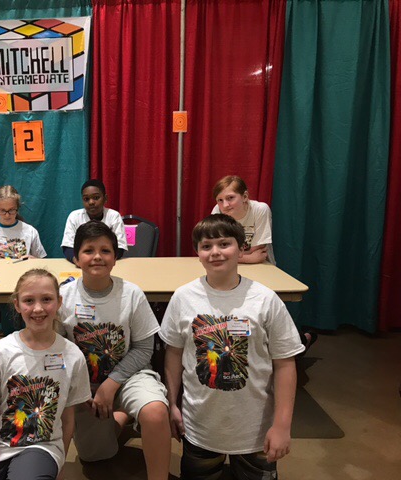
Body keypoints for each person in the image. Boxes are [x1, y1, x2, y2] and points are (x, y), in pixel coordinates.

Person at [160, 214, 305, 480]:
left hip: (255, 430)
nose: (215, 252)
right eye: (206, 246)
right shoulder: (182, 298)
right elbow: (174, 353)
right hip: (200, 427)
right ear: (198, 253)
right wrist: (172, 404)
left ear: (241, 249)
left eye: (224, 244)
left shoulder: (265, 300)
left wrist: (282, 425)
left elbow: (285, 363)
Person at [59, 221, 171, 480]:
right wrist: (80, 387)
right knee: (95, 455)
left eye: (105, 251)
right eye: (88, 250)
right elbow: (58, 351)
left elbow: (144, 348)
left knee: (155, 412)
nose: (97, 256)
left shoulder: (131, 294)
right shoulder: (64, 297)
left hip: (131, 374)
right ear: (76, 258)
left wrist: (111, 384)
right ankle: (121, 416)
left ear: (115, 258)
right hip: (85, 384)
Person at [0, 269, 91, 480]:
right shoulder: (1, 352)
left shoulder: (72, 355)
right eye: (29, 300)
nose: (38, 308)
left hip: (42, 447)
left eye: (46, 299)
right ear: (17, 305)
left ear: (59, 302)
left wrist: (59, 464)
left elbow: (67, 420)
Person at [211, 175, 317, 351]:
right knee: (234, 310)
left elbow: (259, 250)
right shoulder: (217, 211)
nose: (225, 205)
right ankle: (244, 349)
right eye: (220, 200)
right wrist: (248, 257)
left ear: (245, 197)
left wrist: (233, 254)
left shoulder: (260, 210)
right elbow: (219, 249)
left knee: (264, 313)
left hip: (262, 269)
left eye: (230, 198)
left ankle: (298, 342)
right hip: (231, 269)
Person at [60, 179, 128, 262]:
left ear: (105, 198)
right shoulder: (74, 217)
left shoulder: (114, 216)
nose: (91, 202)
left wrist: (102, 261)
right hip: (82, 263)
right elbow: (68, 247)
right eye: (86, 199)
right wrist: (77, 261)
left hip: (107, 263)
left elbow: (120, 248)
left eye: (96, 197)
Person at [0, 185, 46, 260]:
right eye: (3, 210)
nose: (7, 215)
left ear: (17, 208)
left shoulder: (30, 231)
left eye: (11, 210)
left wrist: (34, 260)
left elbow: (42, 261)